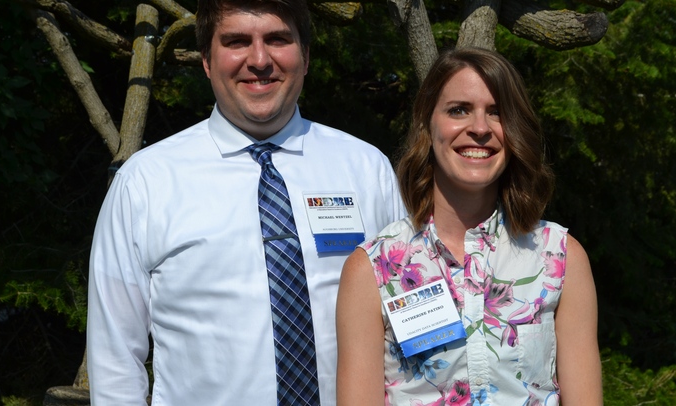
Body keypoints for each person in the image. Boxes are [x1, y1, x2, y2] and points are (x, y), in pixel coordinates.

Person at [86, 0, 405, 404]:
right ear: (206, 60)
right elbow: (115, 356)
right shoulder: (145, 182)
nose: (259, 60)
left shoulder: (367, 170)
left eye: (277, 39)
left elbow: (406, 320)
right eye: (237, 41)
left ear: (305, 56)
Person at [336, 47, 602, 406]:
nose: (479, 129)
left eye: (497, 113)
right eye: (459, 110)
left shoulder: (561, 257)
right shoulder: (372, 269)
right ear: (427, 125)